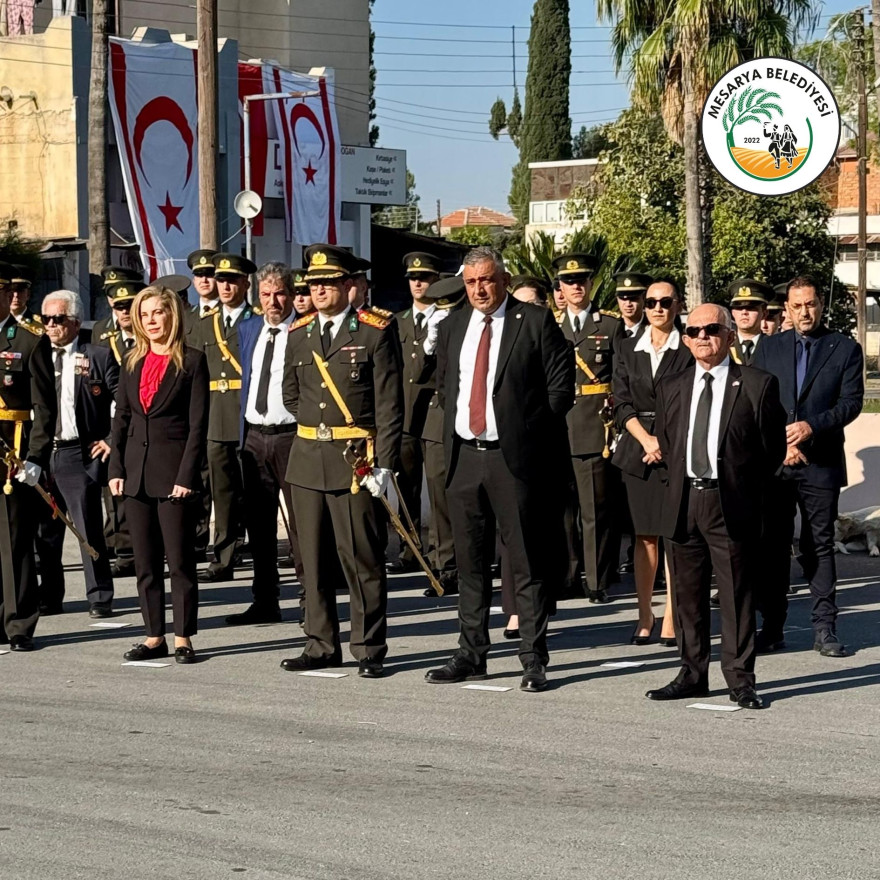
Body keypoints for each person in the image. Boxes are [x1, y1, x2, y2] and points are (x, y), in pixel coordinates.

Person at [425, 247, 573, 693]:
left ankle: (532, 657)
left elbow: (560, 389)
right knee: (469, 563)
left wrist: (528, 434)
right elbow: (446, 384)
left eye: (486, 280)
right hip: (464, 457)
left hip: (514, 459)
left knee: (526, 560)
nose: (479, 290)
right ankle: (472, 653)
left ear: (503, 280)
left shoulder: (534, 321)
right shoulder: (452, 326)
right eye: (471, 283)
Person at [646, 303, 785, 709]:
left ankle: (740, 680)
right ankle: (692, 673)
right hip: (684, 498)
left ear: (728, 335)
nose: (702, 337)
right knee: (687, 596)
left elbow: (771, 450)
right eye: (693, 330)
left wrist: (744, 489)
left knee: (735, 594)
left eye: (711, 329)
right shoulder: (672, 385)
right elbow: (669, 443)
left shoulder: (758, 384)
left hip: (730, 503)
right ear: (685, 338)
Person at [280, 244, 403, 678]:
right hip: (308, 459)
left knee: (361, 559)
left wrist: (383, 465)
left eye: (327, 283)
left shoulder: (374, 330)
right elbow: (290, 396)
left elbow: (390, 406)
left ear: (348, 286)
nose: (318, 290)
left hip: (356, 463)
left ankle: (368, 646)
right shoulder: (298, 333)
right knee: (311, 560)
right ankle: (320, 643)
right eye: (312, 284)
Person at [752, 276, 864, 657]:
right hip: (776, 464)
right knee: (772, 547)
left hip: (821, 462)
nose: (804, 312)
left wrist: (810, 428)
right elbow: (756, 402)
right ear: (786, 309)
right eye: (797, 306)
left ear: (820, 305)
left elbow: (851, 403)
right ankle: (772, 627)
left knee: (818, 545)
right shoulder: (768, 348)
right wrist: (781, 446)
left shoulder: (845, 349)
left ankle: (825, 629)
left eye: (811, 304)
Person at [109, 286, 209, 664]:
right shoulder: (131, 362)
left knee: (180, 561)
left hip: (173, 475)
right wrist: (116, 467)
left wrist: (187, 475)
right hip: (135, 472)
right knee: (145, 562)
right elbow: (122, 419)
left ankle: (182, 636)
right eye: (145, 314)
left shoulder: (193, 362)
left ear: (173, 316)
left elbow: (198, 426)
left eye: (158, 313)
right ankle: (154, 636)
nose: (151, 321)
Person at [612, 279, 691, 646]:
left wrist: (666, 442)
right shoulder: (628, 348)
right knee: (644, 538)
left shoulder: (688, 346)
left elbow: (693, 400)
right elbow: (621, 401)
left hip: (677, 450)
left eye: (666, 302)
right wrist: (646, 439)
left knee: (674, 536)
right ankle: (645, 613)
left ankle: (673, 615)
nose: (658, 308)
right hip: (637, 449)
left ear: (677, 305)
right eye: (652, 302)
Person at [225, 262, 302, 626]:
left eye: (280, 293)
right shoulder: (249, 328)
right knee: (259, 526)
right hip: (254, 436)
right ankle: (265, 600)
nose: (273, 301)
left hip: (292, 436)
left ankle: (309, 602)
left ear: (291, 293)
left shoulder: (303, 330)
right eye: (267, 294)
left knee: (302, 526)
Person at [37, 290, 118, 618]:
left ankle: (99, 595)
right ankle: (50, 595)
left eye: (58, 319)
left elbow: (124, 401)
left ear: (73, 321)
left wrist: (110, 438)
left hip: (77, 453)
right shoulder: (37, 354)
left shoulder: (96, 354)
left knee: (87, 526)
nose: (51, 326)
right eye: (45, 320)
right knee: (46, 530)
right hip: (43, 452)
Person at [555, 252, 620, 603]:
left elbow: (619, 376)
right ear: (560, 287)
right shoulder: (549, 323)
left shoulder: (608, 325)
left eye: (581, 279)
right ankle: (568, 575)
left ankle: (596, 580)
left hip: (595, 426)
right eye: (569, 281)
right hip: (558, 427)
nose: (576, 286)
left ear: (591, 283)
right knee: (563, 512)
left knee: (594, 511)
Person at [191, 252, 259, 583]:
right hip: (216, 417)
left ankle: (258, 553)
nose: (225, 286)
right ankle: (223, 557)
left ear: (246, 283)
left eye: (232, 280)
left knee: (255, 491)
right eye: (221, 280)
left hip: (249, 415)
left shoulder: (257, 321)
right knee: (223, 493)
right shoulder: (202, 323)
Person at [0, 260, 56, 652]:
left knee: (15, 541)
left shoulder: (27, 340)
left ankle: (18, 623)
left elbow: (44, 406)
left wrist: (36, 456)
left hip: (12, 454)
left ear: (7, 296)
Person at [391, 251, 443, 576]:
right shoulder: (396, 322)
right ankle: (410, 551)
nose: (418, 282)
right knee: (406, 488)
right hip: (407, 416)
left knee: (437, 490)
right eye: (413, 277)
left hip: (435, 416)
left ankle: (439, 554)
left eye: (424, 277)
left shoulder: (448, 320)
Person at [417, 274, 467, 598]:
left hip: (471, 418)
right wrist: (429, 344)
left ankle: (471, 565)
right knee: (439, 496)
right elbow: (419, 376)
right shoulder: (432, 331)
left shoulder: (476, 329)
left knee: (469, 497)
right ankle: (445, 569)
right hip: (438, 420)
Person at [93, 279, 145, 579]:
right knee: (113, 487)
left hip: (144, 422)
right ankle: (122, 546)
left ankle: (137, 548)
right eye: (119, 307)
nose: (125, 312)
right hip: (113, 421)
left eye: (129, 305)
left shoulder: (150, 337)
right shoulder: (104, 338)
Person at [728, 278, 770, 365]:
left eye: (751, 308)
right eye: (739, 308)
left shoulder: (773, 346)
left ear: (764, 313)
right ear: (733, 313)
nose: (744, 312)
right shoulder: (724, 347)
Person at [614, 273, 648, 341]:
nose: (628, 304)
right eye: (623, 299)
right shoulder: (610, 327)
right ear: (617, 299)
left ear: (643, 298)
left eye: (633, 299)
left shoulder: (652, 328)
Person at [9, 266, 42, 332]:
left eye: (20, 291)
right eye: (11, 291)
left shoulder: (41, 324)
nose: (16, 295)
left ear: (28, 294)